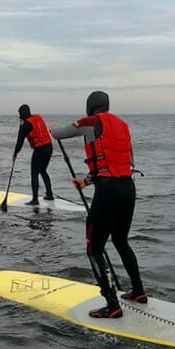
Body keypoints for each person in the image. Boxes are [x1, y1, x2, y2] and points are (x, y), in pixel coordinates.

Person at [50, 90, 147, 318]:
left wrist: (51, 129)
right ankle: (139, 292)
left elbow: (60, 134)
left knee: (94, 248)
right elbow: (111, 163)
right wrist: (85, 181)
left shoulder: (91, 122)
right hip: (128, 188)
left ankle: (112, 306)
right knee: (121, 240)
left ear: (90, 106)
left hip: (108, 191)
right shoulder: (122, 125)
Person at [13, 104, 55, 204]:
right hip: (49, 147)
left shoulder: (26, 125)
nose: (19, 116)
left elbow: (20, 141)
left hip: (40, 149)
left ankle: (35, 200)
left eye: (20, 114)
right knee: (43, 171)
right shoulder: (38, 117)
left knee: (34, 173)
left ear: (23, 114)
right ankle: (50, 195)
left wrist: (15, 154)